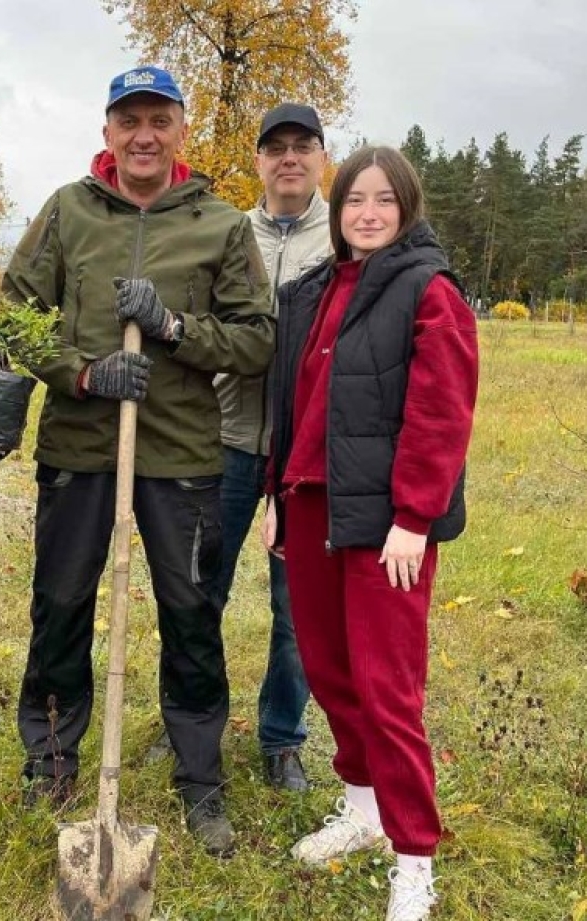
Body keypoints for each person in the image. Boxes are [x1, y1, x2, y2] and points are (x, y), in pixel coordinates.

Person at [3, 66, 275, 856]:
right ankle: (50, 760)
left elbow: (256, 340)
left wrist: (176, 330)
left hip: (183, 456)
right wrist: (82, 373)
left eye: (159, 120)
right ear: (108, 131)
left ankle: (200, 780)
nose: (144, 136)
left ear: (181, 130)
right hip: (81, 449)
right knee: (59, 606)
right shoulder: (68, 212)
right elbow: (16, 317)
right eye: (130, 121)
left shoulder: (218, 225)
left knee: (191, 617)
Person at [264, 146, 478, 920]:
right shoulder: (315, 291)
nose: (367, 213)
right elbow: (293, 403)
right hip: (314, 504)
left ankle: (414, 858)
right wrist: (278, 496)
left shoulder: (428, 290)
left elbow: (442, 412)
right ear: (337, 206)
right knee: (329, 670)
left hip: (389, 523)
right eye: (355, 199)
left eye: (384, 200)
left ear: (407, 206)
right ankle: (362, 809)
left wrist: (415, 518)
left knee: (389, 688)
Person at [209, 102, 332, 792]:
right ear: (257, 160)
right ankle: (192, 718)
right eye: (275, 147)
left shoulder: (346, 238)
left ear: (321, 156)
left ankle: (282, 738)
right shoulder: (228, 234)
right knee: (201, 592)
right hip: (225, 438)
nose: (289, 157)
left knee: (299, 607)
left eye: (302, 145)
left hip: (306, 452)